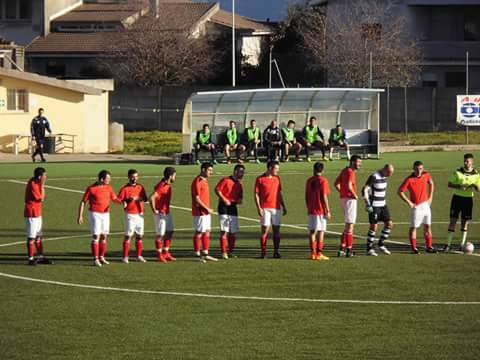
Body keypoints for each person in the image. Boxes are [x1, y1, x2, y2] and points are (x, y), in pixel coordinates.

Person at [78, 170, 122, 267]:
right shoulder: (91, 188)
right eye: (108, 178)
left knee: (104, 236)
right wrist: (80, 215)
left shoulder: (109, 187)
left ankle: (102, 256)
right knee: (96, 236)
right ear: (102, 179)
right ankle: (95, 259)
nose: (110, 180)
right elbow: (83, 202)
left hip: (106, 214)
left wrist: (122, 202)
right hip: (95, 214)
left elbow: (114, 198)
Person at [398, 161, 436, 254]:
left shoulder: (426, 175)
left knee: (427, 226)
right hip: (416, 207)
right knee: (414, 227)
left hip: (426, 205)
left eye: (420, 169)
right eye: (417, 169)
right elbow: (400, 191)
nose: (419, 171)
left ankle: (429, 247)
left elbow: (431, 183)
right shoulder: (409, 179)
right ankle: (414, 248)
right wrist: (409, 203)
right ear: (413, 169)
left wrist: (430, 197)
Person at [444, 153, 480, 252]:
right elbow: (449, 184)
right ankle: (448, 245)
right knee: (453, 221)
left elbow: (479, 189)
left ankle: (462, 245)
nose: (465, 162)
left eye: (467, 161)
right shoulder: (458, 172)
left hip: (468, 200)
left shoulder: (476, 174)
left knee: (465, 223)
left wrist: (476, 186)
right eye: (464, 161)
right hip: (457, 199)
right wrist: (459, 186)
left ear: (472, 162)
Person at [254, 160, 287, 258]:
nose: (277, 171)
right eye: (276, 168)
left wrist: (283, 205)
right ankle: (263, 252)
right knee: (265, 230)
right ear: (269, 168)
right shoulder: (260, 179)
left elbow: (279, 193)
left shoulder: (277, 179)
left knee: (276, 230)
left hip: (276, 208)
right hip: (265, 208)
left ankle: (276, 252)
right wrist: (259, 207)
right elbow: (256, 194)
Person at [362, 164, 394, 256]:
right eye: (389, 173)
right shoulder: (374, 176)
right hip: (374, 205)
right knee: (374, 227)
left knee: (389, 224)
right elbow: (365, 189)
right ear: (385, 169)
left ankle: (381, 244)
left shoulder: (385, 176)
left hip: (383, 205)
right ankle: (369, 248)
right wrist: (367, 203)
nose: (389, 175)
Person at [117, 169, 148, 264]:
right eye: (133, 176)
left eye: (136, 176)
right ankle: (125, 257)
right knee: (128, 236)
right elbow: (119, 200)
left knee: (140, 235)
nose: (135, 178)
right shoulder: (124, 189)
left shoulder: (140, 187)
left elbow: (145, 199)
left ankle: (139, 255)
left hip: (140, 214)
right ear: (129, 177)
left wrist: (139, 198)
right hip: (130, 214)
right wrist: (127, 200)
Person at [215, 164, 245, 259]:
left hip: (233, 207)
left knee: (233, 232)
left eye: (243, 172)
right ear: (235, 171)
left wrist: (240, 200)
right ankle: (224, 252)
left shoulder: (240, 184)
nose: (242, 174)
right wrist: (224, 199)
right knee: (224, 231)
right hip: (224, 206)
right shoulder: (225, 180)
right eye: (241, 172)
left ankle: (231, 251)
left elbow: (240, 196)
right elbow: (217, 190)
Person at [24, 167, 53, 265]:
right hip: (32, 214)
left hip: (37, 213)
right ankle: (30, 259)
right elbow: (42, 198)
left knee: (39, 236)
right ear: (40, 176)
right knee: (31, 237)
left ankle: (40, 257)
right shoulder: (33, 184)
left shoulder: (36, 182)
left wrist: (42, 185)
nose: (46, 176)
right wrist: (43, 185)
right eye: (44, 175)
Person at [334, 155, 362, 257]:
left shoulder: (344, 170)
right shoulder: (350, 172)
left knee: (347, 226)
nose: (360, 164)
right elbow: (349, 185)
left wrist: (342, 193)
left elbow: (336, 184)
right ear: (352, 162)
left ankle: (342, 249)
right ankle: (349, 250)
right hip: (350, 200)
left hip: (344, 199)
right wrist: (355, 195)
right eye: (358, 162)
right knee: (350, 226)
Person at [191, 162, 217, 262]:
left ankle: (205, 253)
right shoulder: (197, 181)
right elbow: (197, 199)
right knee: (199, 232)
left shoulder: (204, 180)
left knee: (207, 232)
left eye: (212, 170)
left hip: (206, 212)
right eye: (209, 170)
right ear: (203, 170)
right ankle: (197, 255)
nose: (211, 172)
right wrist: (207, 208)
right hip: (200, 211)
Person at [150, 167, 177, 262]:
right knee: (160, 235)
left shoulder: (167, 185)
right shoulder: (161, 186)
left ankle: (166, 252)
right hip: (161, 214)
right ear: (170, 176)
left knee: (170, 231)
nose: (175, 177)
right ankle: (159, 255)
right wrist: (154, 210)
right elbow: (152, 197)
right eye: (174, 175)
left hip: (167, 212)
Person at [305, 162, 331, 261]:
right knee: (321, 232)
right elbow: (324, 196)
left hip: (311, 209)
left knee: (312, 232)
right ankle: (319, 253)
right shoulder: (323, 181)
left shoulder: (309, 181)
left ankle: (313, 253)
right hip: (320, 210)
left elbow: (306, 196)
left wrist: (308, 207)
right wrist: (327, 210)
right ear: (322, 170)